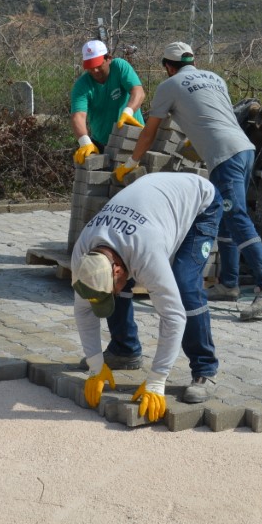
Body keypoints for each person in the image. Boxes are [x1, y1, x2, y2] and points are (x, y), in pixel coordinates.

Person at [114, 41, 262, 321]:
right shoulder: (214, 78)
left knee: (237, 217)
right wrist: (193, 142)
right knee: (225, 216)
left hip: (224, 156)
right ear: (192, 62)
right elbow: (212, 116)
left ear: (168, 67)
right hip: (243, 149)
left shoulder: (169, 86)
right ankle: (229, 284)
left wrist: (132, 162)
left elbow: (150, 131)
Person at [71, 172, 223, 415]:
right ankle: (124, 350)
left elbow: (173, 317)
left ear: (118, 269)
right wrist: (95, 365)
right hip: (152, 205)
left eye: (116, 281)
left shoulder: (146, 253)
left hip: (200, 203)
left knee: (185, 287)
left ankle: (205, 369)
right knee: (113, 290)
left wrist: (156, 380)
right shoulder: (83, 257)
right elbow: (83, 310)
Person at [70, 39, 144, 165]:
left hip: (134, 138)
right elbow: (78, 116)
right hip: (103, 143)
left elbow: (138, 91)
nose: (95, 71)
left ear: (108, 58)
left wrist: (128, 112)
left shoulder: (119, 67)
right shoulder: (82, 85)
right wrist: (85, 142)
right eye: (90, 67)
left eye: (98, 65)